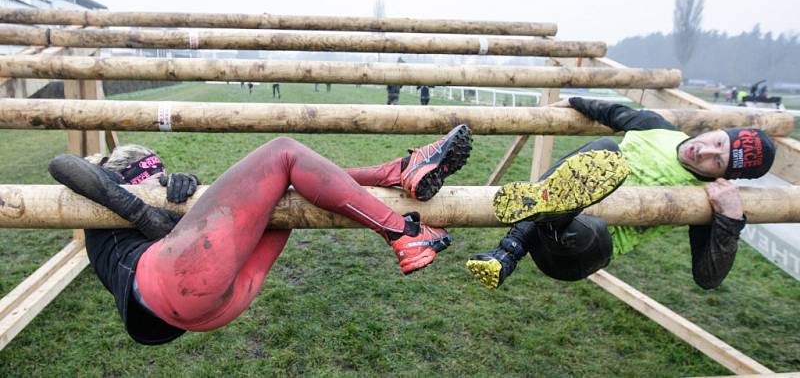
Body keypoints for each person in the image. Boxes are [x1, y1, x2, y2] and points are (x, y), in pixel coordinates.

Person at [47, 124, 473, 345]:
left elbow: (213, 226)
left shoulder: (137, 224)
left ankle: (395, 172)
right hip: (173, 284)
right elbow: (62, 164)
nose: (156, 184)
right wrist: (141, 210)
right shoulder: (102, 190)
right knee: (282, 152)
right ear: (122, 176)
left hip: (206, 305)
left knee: (280, 193)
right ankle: (403, 232)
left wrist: (184, 189)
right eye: (150, 178)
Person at [466, 97, 776, 290]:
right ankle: (507, 253)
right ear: (720, 131)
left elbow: (708, 278)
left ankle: (528, 232)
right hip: (544, 231)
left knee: (589, 224)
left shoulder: (705, 195)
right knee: (606, 149)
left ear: (723, 175)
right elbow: (607, 110)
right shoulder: (658, 129)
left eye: (717, 160)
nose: (705, 150)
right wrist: (566, 105)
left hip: (578, 253)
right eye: (718, 141)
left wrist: (729, 221)